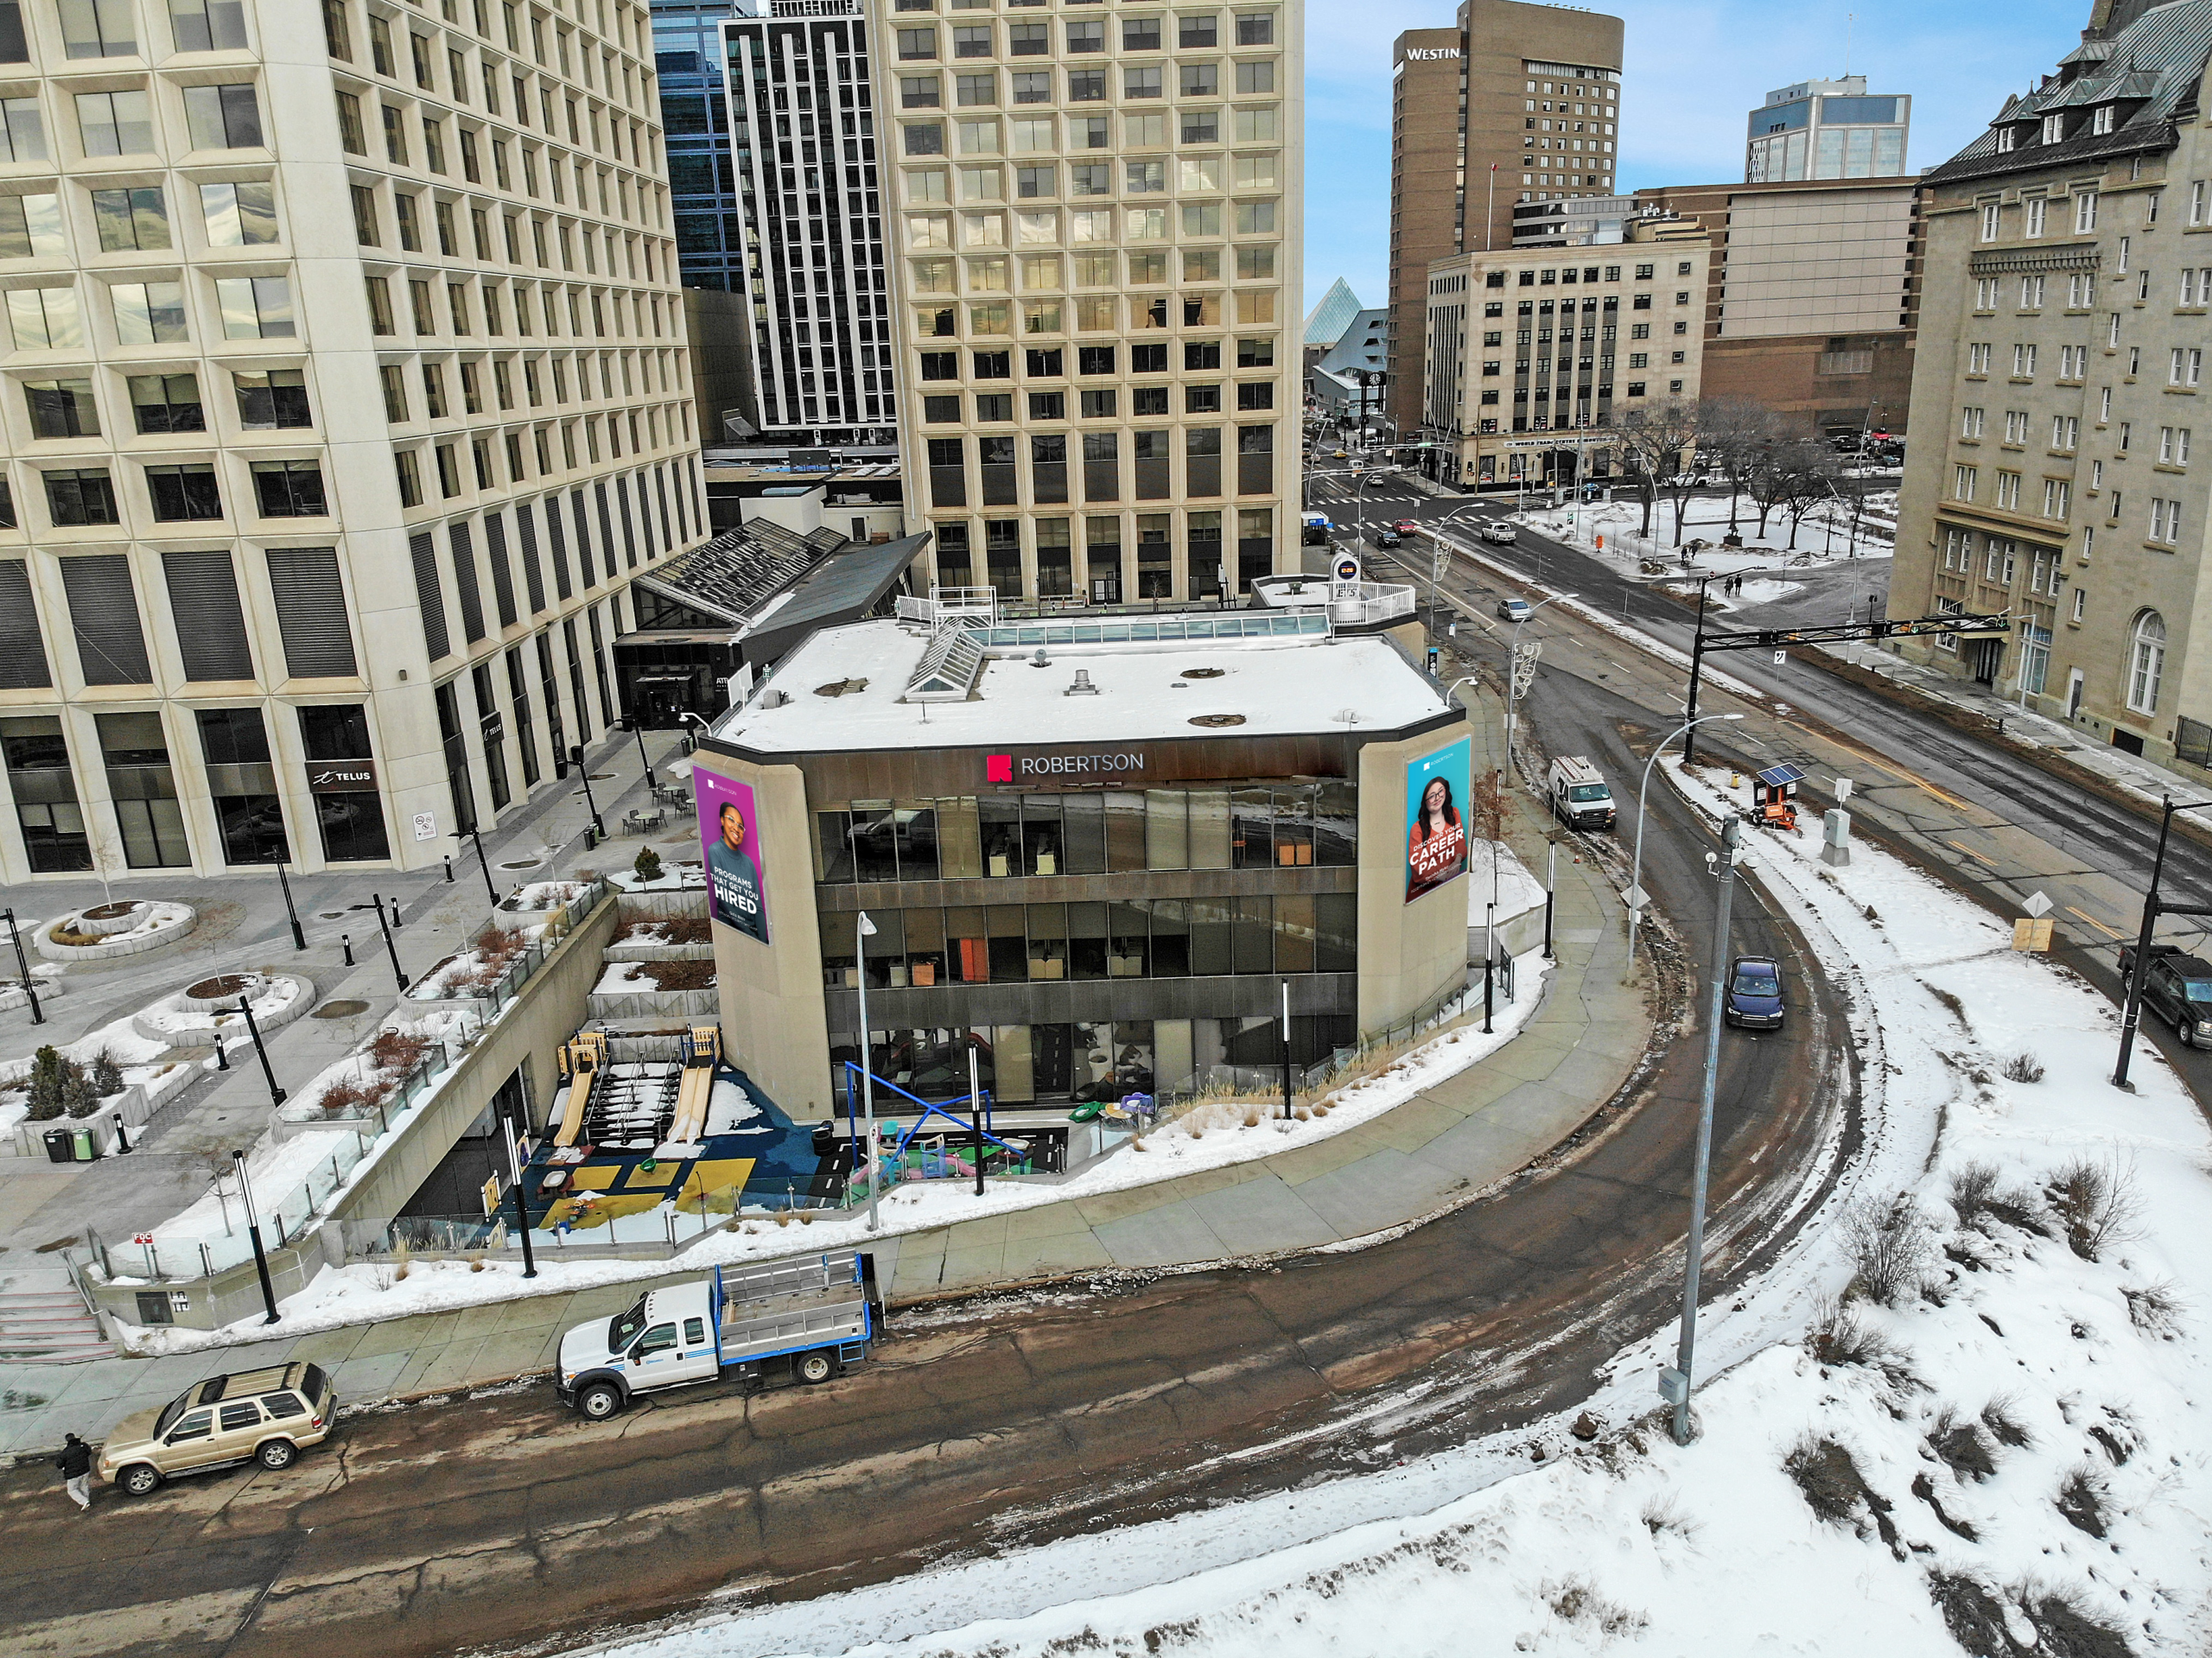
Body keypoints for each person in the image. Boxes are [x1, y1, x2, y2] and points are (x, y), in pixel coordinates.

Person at [705, 797, 770, 943]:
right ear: (722, 820)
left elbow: (758, 907)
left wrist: (761, 939)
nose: (736, 828)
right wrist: (751, 936)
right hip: (731, 931)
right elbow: (724, 901)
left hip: (753, 933)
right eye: (731, 820)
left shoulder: (748, 862)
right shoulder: (715, 851)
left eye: (741, 826)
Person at [1407, 774, 1468, 900]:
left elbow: (1460, 842)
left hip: (1450, 888)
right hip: (1423, 895)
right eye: (1431, 796)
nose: (1437, 798)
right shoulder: (1417, 829)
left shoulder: (1454, 814)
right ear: (1425, 801)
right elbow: (1419, 867)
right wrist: (1444, 874)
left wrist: (1457, 860)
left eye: (1440, 791)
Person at [56, 1432, 92, 1512]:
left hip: (73, 1475)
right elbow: (89, 1452)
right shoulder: (83, 1446)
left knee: (72, 1490)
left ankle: (84, 1501)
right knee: (84, 1486)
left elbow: (59, 1465)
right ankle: (86, 1501)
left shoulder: (65, 1452)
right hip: (85, 1470)